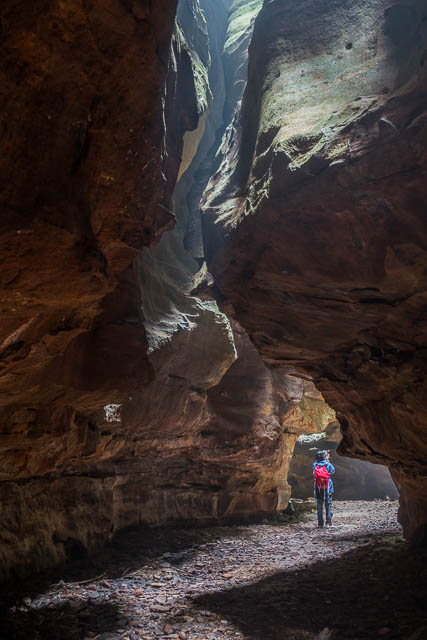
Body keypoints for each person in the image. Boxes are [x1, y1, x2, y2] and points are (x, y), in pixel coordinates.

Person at [313, 450, 335, 528]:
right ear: (324, 457)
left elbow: (314, 474)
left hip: (318, 487)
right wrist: (327, 460)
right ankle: (328, 523)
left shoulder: (315, 464)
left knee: (319, 505)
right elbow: (332, 471)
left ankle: (320, 524)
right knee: (328, 505)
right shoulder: (328, 464)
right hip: (327, 486)